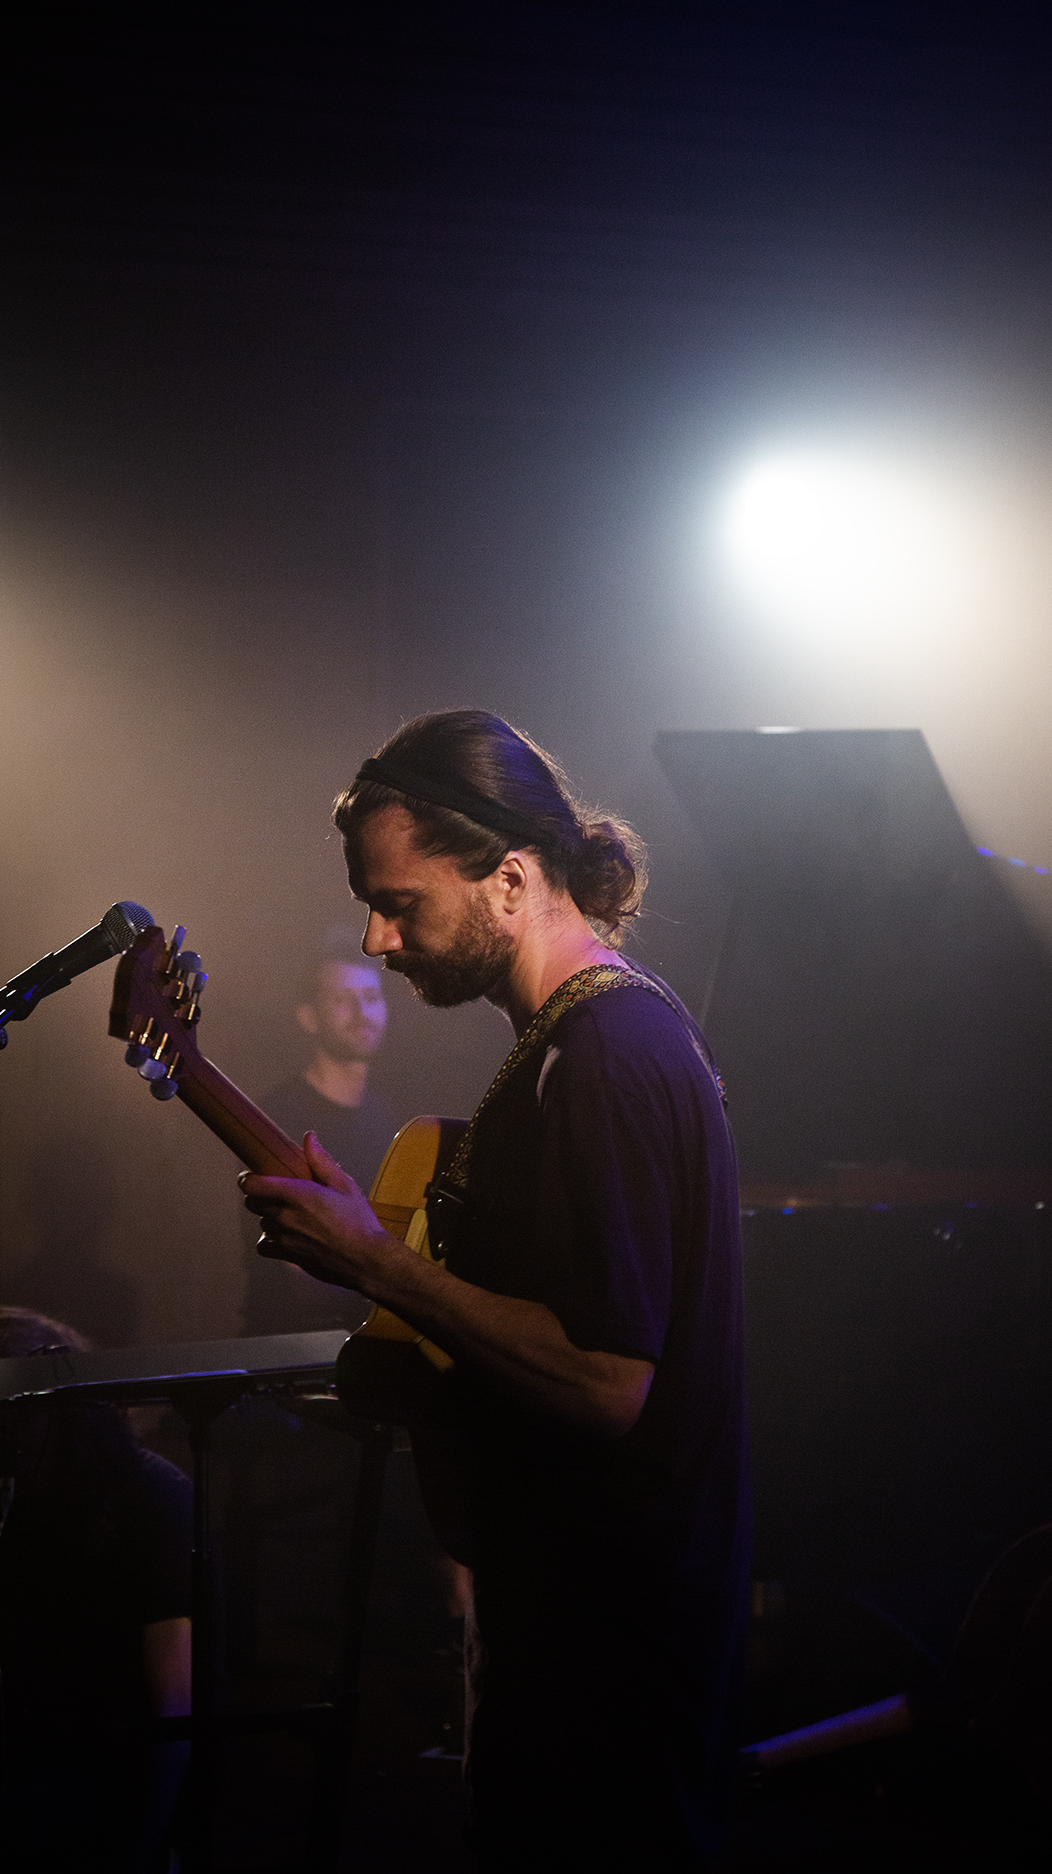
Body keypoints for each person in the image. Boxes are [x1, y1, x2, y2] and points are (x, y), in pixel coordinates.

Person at [241, 710, 750, 1870]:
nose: (376, 938)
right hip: (577, 1625)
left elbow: (606, 1378)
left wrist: (378, 1263)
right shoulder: (574, 1044)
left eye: (399, 902)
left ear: (511, 879)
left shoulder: (605, 1056)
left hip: (610, 1654)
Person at [0, 1306, 192, 1874]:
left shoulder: (143, 1492)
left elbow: (173, 1710)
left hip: (94, 1778)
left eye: (12, 1417)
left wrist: (140, 1848)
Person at [243, 935, 397, 1335]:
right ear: (309, 1017)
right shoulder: (280, 1115)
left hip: (367, 1334)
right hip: (294, 1343)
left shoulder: (386, 1117)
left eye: (371, 997)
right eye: (343, 1000)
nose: (362, 1013)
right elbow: (299, 1269)